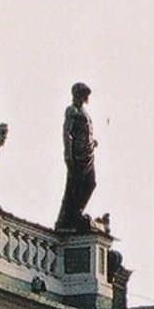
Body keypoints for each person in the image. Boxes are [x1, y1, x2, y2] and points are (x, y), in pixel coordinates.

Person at [57, 82, 98, 232]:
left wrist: (92, 142)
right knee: (74, 187)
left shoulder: (84, 112)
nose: (86, 98)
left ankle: (77, 213)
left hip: (88, 154)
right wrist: (68, 154)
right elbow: (67, 133)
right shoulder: (71, 110)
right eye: (84, 94)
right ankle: (69, 217)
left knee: (90, 183)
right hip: (77, 155)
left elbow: (85, 133)